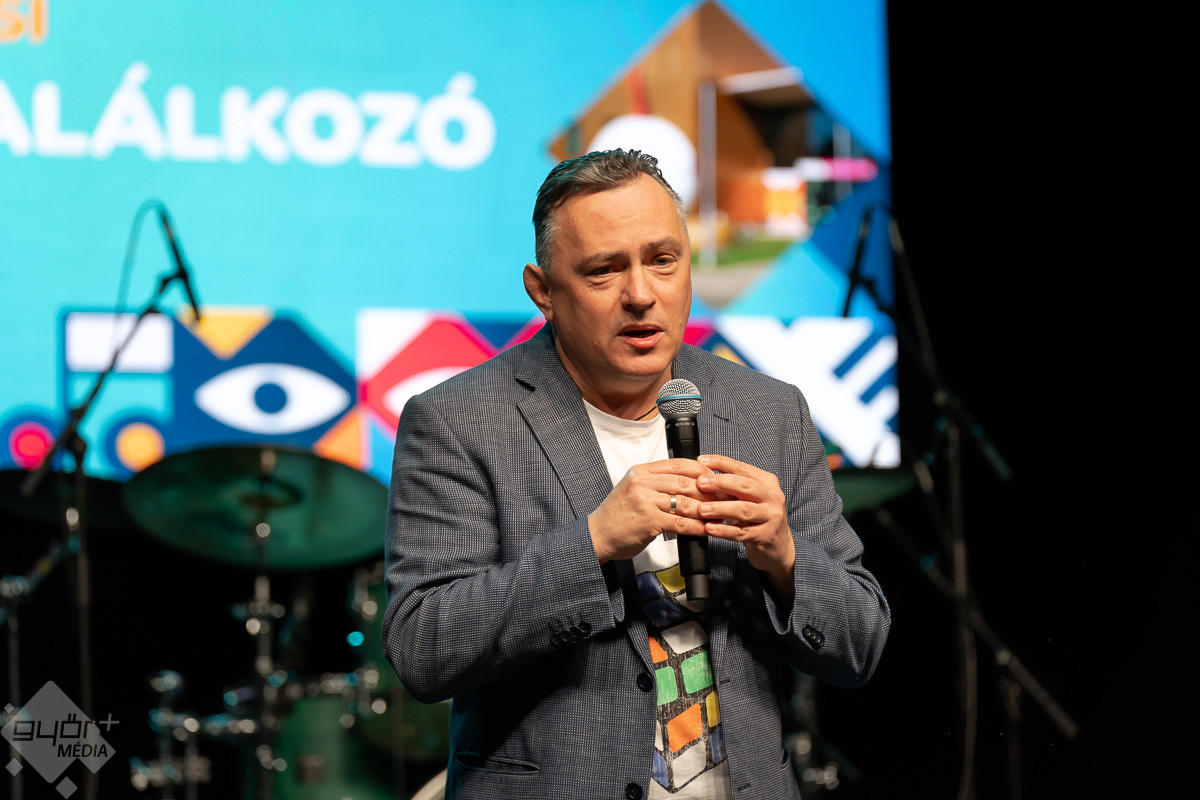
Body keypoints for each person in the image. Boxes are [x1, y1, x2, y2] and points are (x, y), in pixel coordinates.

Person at [382, 149, 890, 800]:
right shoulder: (458, 421)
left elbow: (860, 645)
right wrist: (593, 543)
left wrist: (784, 556)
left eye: (662, 260)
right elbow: (424, 649)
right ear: (543, 290)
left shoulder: (768, 411)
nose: (642, 295)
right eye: (604, 270)